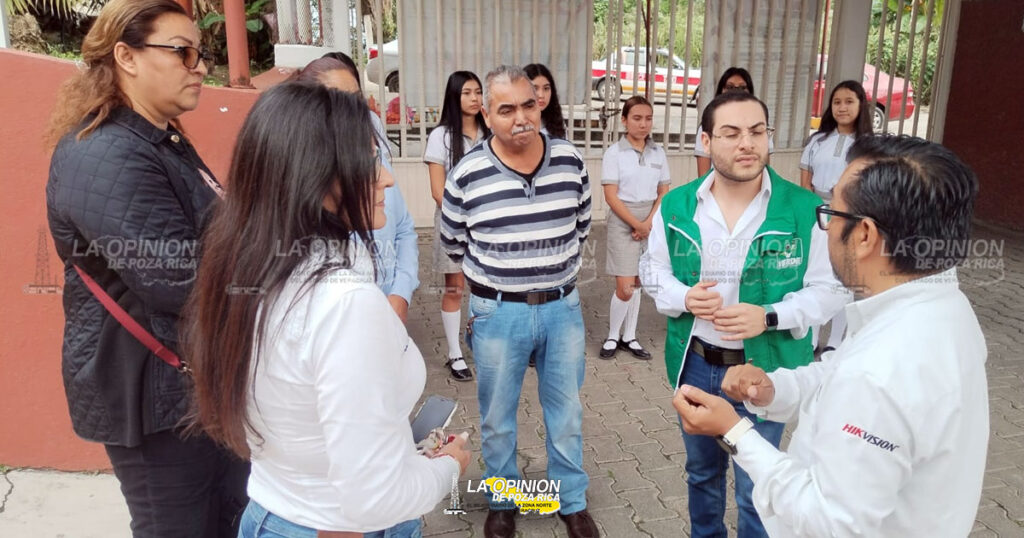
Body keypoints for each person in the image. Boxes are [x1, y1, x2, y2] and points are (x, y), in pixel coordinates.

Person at [186, 83, 472, 537]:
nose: (388, 179)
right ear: (315, 177)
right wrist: (448, 468)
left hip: (275, 511)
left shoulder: (250, 270)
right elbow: (373, 498)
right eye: (368, 160)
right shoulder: (343, 303)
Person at [674, 134, 987, 537]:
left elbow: (828, 521)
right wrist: (775, 388)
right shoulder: (940, 309)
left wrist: (734, 432)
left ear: (864, 235)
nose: (824, 227)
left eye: (831, 212)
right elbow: (839, 371)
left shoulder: (881, 370)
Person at [45, 1, 248, 535]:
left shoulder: (160, 138)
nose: (200, 66)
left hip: (190, 383)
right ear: (126, 57)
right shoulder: (107, 153)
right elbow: (177, 280)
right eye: (182, 52)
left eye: (199, 54)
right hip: (151, 396)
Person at [639, 91, 849, 538]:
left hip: (765, 369)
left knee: (759, 484)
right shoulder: (678, 205)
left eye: (757, 132)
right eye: (731, 133)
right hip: (695, 363)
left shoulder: (802, 209)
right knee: (702, 477)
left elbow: (830, 289)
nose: (746, 143)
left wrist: (770, 316)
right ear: (706, 140)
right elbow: (651, 269)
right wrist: (682, 297)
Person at [441, 65, 597, 538]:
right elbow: (453, 242)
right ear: (487, 116)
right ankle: (503, 500)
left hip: (562, 309)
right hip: (497, 312)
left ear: (540, 104)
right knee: (497, 417)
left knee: (566, 412)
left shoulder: (571, 161)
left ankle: (571, 500)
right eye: (506, 109)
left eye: (528, 104)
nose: (521, 118)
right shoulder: (466, 175)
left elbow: (582, 225)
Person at [297, 55, 420, 325]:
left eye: (356, 101)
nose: (385, 180)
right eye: (337, 104)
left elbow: (405, 229)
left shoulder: (374, 148)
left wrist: (401, 293)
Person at [423, 70, 490, 381]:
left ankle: (484, 343)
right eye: (467, 93)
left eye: (478, 92)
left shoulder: (491, 133)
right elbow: (439, 192)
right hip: (454, 223)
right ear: (454, 96)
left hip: (489, 224)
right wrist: (468, 217)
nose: (475, 98)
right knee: (455, 287)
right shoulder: (441, 137)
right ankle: (454, 353)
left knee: (486, 286)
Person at [799, 80, 873, 353]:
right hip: (818, 214)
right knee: (815, 274)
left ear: (861, 105)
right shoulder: (817, 140)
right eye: (837, 102)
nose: (842, 107)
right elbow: (804, 181)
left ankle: (834, 342)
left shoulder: (867, 145)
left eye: (849, 101)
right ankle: (811, 337)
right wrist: (813, 212)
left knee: (844, 277)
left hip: (850, 215)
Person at [598, 95, 669, 360]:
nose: (643, 124)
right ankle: (612, 336)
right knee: (625, 286)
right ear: (624, 120)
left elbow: (663, 191)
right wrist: (636, 224)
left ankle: (630, 336)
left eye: (648, 118)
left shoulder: (658, 152)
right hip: (623, 219)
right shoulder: (614, 153)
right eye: (637, 118)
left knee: (639, 282)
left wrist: (648, 223)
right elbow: (611, 196)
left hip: (650, 219)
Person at [694, 67, 773, 177]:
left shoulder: (761, 124)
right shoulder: (708, 125)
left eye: (742, 88)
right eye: (731, 134)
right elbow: (703, 176)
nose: (746, 145)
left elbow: (765, 169)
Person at [525, 63, 567, 139]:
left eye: (546, 88)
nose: (541, 95)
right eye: (535, 88)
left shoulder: (556, 121)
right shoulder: (516, 123)